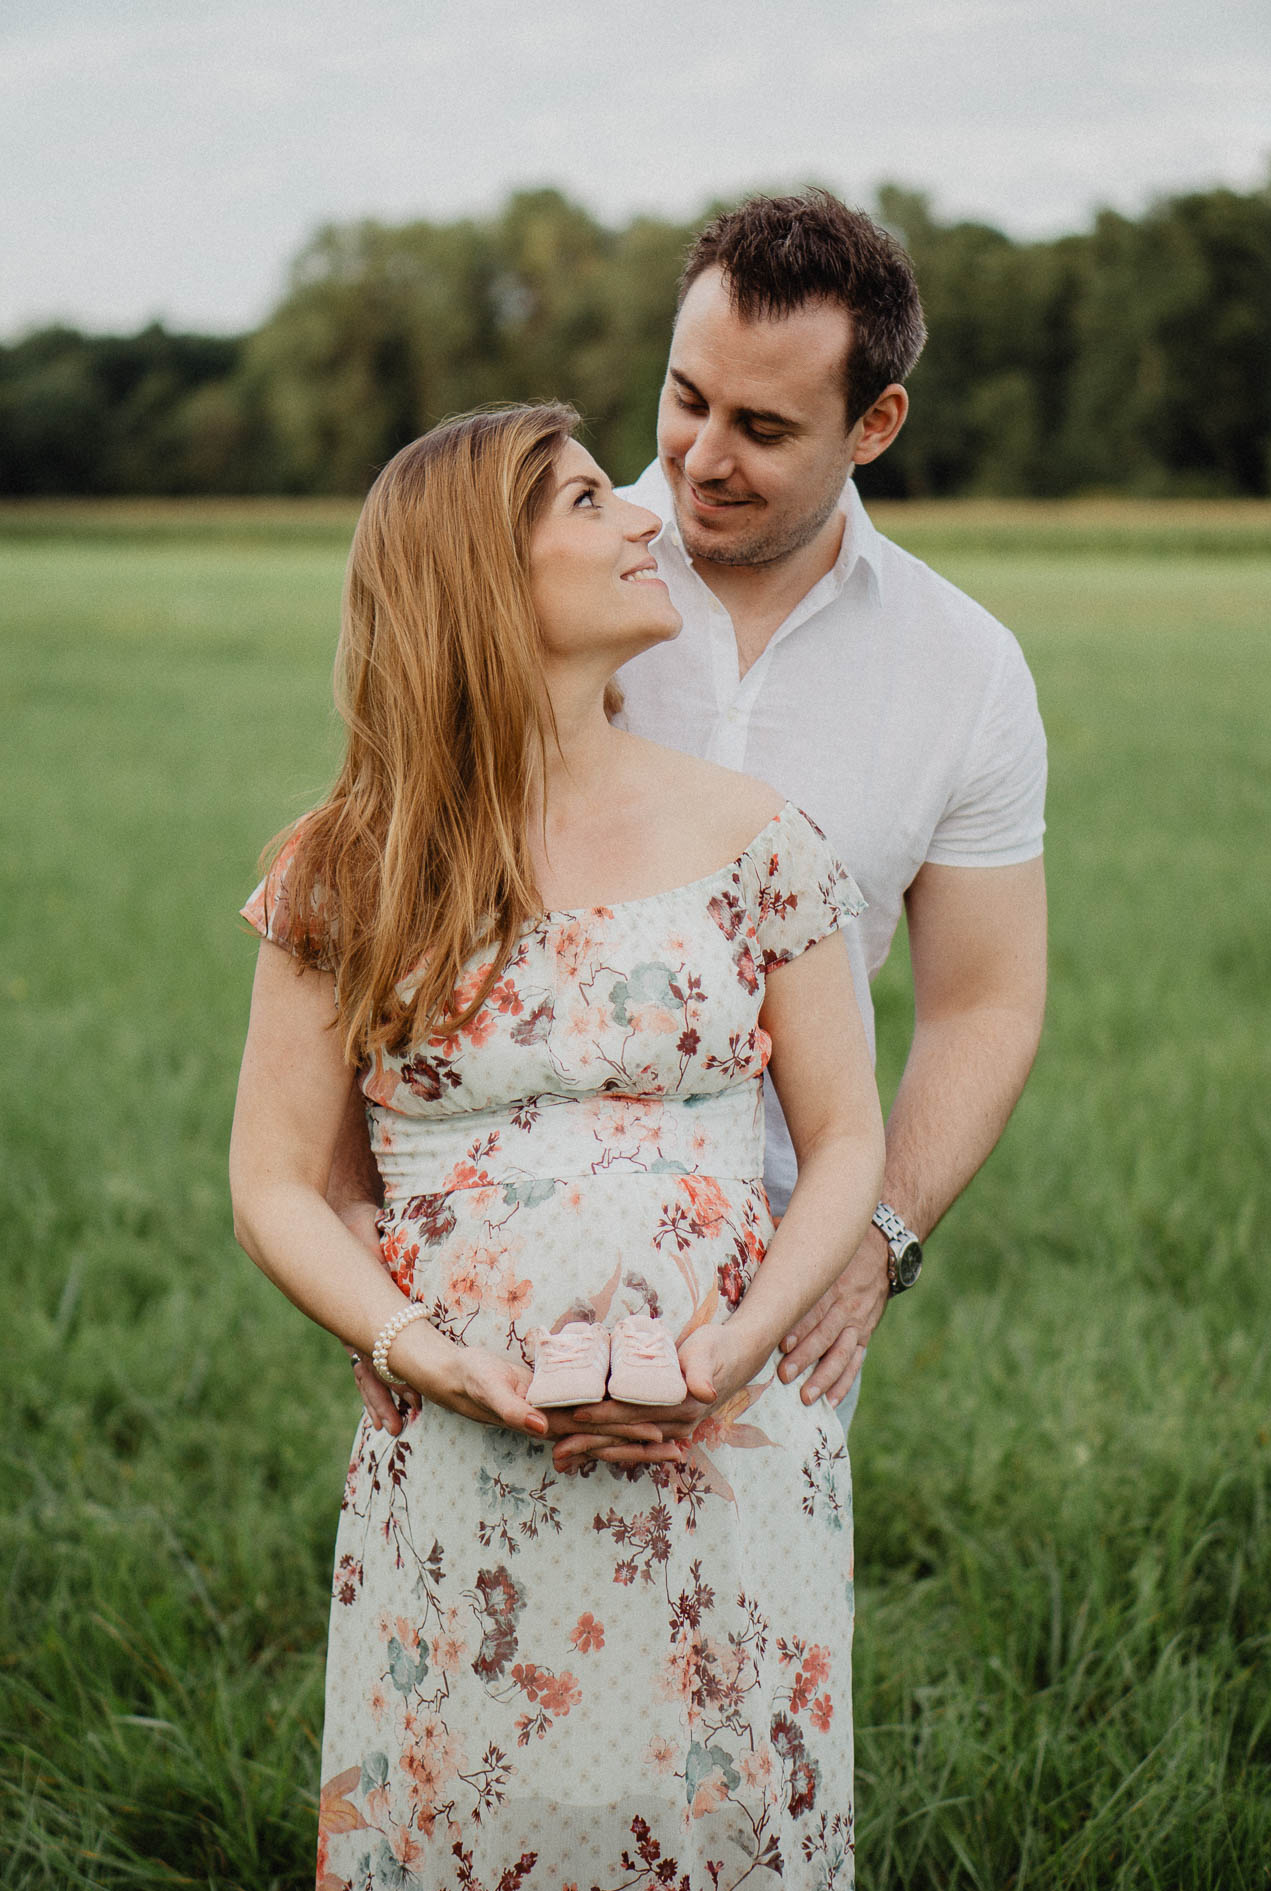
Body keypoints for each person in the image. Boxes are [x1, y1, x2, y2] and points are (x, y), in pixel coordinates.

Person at [229, 403, 885, 1891]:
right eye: (592, 502)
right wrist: (422, 1351)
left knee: (722, 1836)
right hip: (461, 1455)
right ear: (478, 572)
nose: (647, 517)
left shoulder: (757, 839)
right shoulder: (348, 868)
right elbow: (277, 1178)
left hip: (729, 1446)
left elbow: (846, 1136)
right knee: (467, 1831)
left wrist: (735, 1353)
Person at [349, 189, 1048, 1452]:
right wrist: (374, 1294)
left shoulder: (967, 669)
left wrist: (874, 1237)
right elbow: (393, 901)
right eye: (685, 398)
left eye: (763, 427)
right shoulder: (551, 580)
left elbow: (982, 1002)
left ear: (873, 424)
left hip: (777, 1290)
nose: (698, 460)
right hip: (473, 1299)